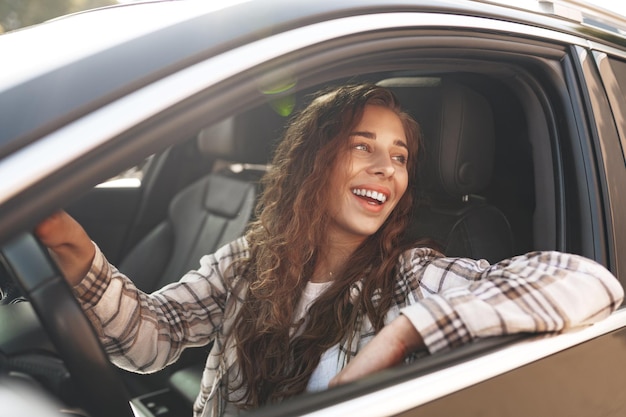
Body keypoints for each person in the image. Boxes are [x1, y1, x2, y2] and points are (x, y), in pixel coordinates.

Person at [35, 84, 623, 417]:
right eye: (362, 146)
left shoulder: (413, 273)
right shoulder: (251, 260)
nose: (384, 169)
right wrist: (70, 247)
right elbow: (151, 340)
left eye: (399, 157)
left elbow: (589, 281)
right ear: (316, 161)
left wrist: (403, 334)